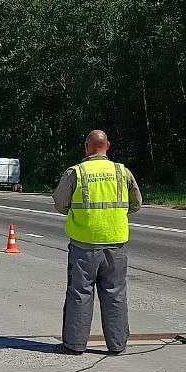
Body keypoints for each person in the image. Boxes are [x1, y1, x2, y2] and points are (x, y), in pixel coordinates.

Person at [52, 130, 142, 356]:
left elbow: (60, 203)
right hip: (116, 244)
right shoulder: (122, 171)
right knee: (115, 293)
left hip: (84, 244)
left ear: (86, 147)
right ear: (107, 146)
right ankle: (117, 345)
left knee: (80, 293)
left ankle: (75, 345)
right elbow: (136, 203)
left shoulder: (77, 172)